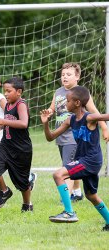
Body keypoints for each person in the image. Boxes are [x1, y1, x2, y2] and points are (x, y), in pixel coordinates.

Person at [41, 86, 109, 231]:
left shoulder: (89, 118)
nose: (65, 104)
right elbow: (50, 137)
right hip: (85, 160)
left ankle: (69, 212)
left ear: (77, 103)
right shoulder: (70, 120)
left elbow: (105, 116)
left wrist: (105, 129)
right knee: (91, 196)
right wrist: (45, 123)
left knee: (58, 174)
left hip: (90, 160)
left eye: (68, 101)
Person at [47, 62, 109, 201]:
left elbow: (95, 112)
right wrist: (49, 112)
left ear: (77, 77)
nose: (65, 77)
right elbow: (53, 107)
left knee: (66, 167)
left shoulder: (80, 94)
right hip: (61, 135)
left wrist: (105, 128)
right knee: (71, 163)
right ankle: (77, 191)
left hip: (74, 137)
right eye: (63, 74)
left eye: (68, 74)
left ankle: (66, 199)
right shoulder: (58, 92)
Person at [0, 77, 34, 212]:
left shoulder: (21, 104)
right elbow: (8, 122)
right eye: (4, 91)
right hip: (6, 145)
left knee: (22, 182)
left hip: (21, 149)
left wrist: (3, 121)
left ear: (19, 92)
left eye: (8, 91)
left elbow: (23, 123)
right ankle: (5, 191)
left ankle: (27, 205)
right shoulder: (7, 104)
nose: (5, 94)